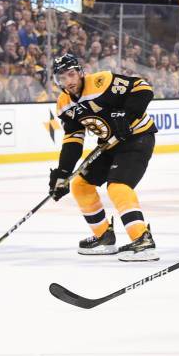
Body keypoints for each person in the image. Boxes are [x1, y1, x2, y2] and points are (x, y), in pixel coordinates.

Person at [48, 54, 158, 261]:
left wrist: (127, 115)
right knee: (79, 184)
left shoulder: (101, 83)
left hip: (137, 138)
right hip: (109, 145)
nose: (69, 81)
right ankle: (103, 237)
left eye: (71, 74)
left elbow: (143, 88)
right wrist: (63, 173)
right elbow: (73, 139)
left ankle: (142, 239)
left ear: (80, 72)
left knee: (117, 186)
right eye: (62, 78)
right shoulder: (64, 104)